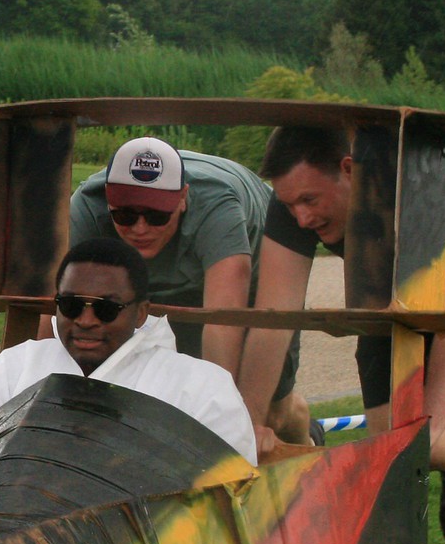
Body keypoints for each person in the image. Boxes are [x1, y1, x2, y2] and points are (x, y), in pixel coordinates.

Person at [235, 125, 445, 544]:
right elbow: (272, 319)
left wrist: (421, 434)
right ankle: (442, 471)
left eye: (310, 201)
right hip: (386, 283)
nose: (301, 218)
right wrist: (246, 421)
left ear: (349, 170)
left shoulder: (443, 178)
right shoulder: (293, 200)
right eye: (290, 204)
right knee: (391, 447)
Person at [71, 135, 311, 443]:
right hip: (167, 276)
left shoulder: (218, 208)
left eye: (157, 216)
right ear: (107, 200)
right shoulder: (85, 209)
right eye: (125, 215)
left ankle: (306, 441)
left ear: (183, 197)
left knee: (263, 416)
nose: (140, 228)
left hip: (246, 274)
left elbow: (223, 321)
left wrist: (225, 429)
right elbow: (55, 315)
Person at [0, 237, 258, 463]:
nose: (86, 321)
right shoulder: (15, 366)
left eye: (107, 309)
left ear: (141, 313)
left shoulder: (203, 389)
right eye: (71, 305)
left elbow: (231, 498)